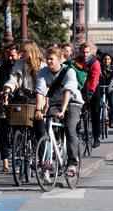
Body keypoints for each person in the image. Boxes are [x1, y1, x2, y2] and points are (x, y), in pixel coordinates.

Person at [35, 47, 84, 176]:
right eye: (47, 59)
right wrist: (39, 109)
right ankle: (48, 160)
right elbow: (40, 92)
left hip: (72, 102)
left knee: (70, 128)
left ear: (59, 59)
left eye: (52, 59)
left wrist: (63, 110)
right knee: (47, 127)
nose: (49, 61)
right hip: (56, 102)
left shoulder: (69, 71)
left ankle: (73, 163)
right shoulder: (43, 72)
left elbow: (68, 90)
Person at [0, 43, 20, 172]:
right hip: (3, 103)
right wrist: (0, 94)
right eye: (8, 55)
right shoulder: (1, 68)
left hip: (19, 103)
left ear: (18, 54)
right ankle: (5, 162)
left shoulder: (20, 67)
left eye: (13, 55)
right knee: (3, 131)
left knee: (18, 131)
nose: (10, 58)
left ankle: (18, 158)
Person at [75, 42, 101, 148]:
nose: (85, 54)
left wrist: (90, 91)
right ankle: (77, 132)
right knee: (78, 111)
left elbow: (95, 78)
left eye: (87, 52)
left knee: (95, 113)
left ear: (91, 52)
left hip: (93, 89)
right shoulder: (77, 61)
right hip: (81, 88)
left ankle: (96, 137)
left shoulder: (95, 62)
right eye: (83, 52)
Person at [100, 53, 113, 128]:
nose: (106, 61)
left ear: (111, 60)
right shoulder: (100, 67)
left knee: (112, 104)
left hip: (111, 87)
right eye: (105, 59)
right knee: (98, 104)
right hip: (101, 86)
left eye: (108, 59)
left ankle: (112, 121)